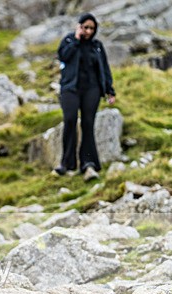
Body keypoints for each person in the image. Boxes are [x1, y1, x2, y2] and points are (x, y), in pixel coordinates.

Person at [54, 12, 116, 180]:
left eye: (91, 28)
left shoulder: (97, 46)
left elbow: (104, 68)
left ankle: (88, 162)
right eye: (85, 27)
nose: (88, 31)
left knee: (88, 123)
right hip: (70, 89)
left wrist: (109, 90)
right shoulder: (68, 41)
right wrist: (76, 39)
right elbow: (63, 56)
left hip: (92, 89)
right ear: (79, 26)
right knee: (70, 120)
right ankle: (66, 163)